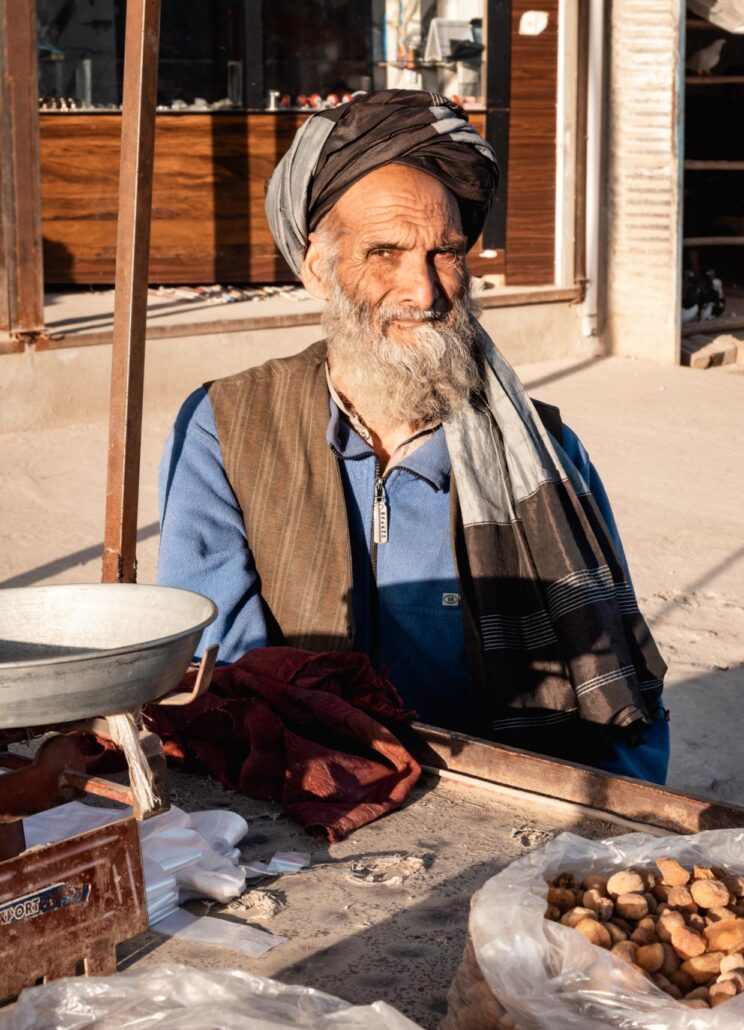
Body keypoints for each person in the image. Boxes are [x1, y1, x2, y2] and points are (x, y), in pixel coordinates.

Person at [158, 90, 669, 782]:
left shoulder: (545, 451)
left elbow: (611, 677)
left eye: (446, 253)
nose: (424, 292)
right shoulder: (224, 426)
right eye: (385, 252)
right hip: (296, 787)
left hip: (502, 792)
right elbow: (223, 681)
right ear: (317, 268)